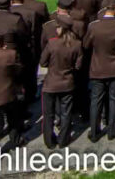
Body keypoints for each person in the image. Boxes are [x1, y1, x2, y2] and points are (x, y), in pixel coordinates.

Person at [84, 0, 115, 141]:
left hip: (98, 68)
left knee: (96, 101)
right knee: (114, 99)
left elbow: (86, 45)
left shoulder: (93, 26)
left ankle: (95, 132)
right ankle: (112, 129)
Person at [39, 14, 82, 149]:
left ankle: (49, 141)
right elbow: (78, 65)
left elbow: (43, 62)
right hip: (67, 83)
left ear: (61, 29)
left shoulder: (52, 43)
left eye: (57, 27)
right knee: (66, 112)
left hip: (51, 84)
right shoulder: (77, 44)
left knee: (48, 114)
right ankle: (63, 139)